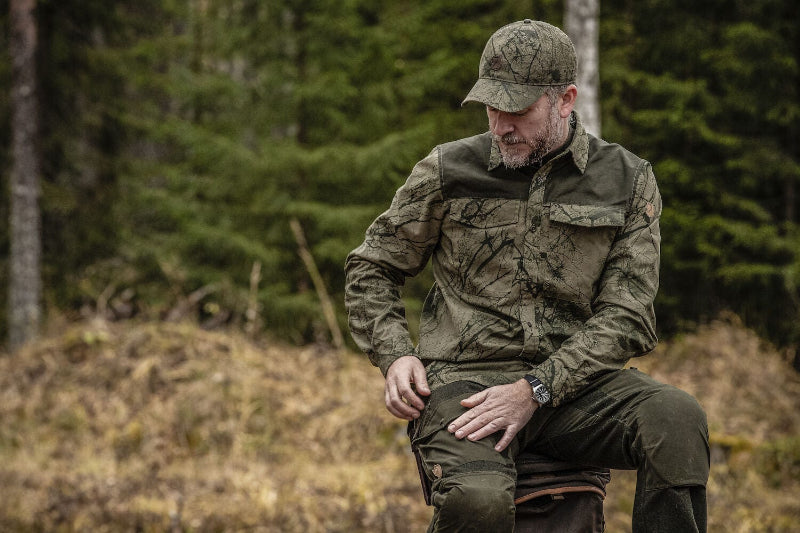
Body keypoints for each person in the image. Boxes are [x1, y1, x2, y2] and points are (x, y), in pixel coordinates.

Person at [344, 19, 709, 532]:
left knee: (676, 419)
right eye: (492, 107)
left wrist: (538, 388)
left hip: (576, 390)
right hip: (463, 386)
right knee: (478, 502)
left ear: (564, 100)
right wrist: (394, 353)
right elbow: (371, 266)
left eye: (516, 110)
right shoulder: (449, 170)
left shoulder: (626, 181)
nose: (500, 125)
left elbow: (627, 315)